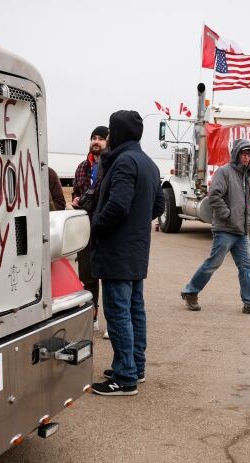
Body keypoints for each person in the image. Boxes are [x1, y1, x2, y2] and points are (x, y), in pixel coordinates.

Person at [90, 110, 164, 396]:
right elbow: (157, 205)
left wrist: (96, 226)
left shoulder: (123, 162)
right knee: (134, 309)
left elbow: (118, 205)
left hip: (117, 250)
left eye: (110, 131)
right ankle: (135, 366)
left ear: (118, 132)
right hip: (136, 248)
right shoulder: (148, 163)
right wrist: (137, 222)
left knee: (118, 312)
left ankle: (124, 377)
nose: (108, 136)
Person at [180, 139, 250, 316]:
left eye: (249, 154)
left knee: (246, 267)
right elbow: (214, 196)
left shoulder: (247, 175)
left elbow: (246, 203)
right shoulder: (224, 172)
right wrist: (227, 215)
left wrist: (247, 222)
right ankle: (190, 292)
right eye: (244, 154)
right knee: (213, 263)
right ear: (236, 154)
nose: (247, 157)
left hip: (241, 231)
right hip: (225, 229)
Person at [72, 126, 109, 332]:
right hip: (85, 229)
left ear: (107, 142)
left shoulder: (112, 166)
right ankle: (91, 316)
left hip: (106, 229)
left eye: (101, 138)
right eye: (93, 138)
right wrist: (76, 199)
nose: (96, 142)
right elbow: (76, 193)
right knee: (87, 277)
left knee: (110, 278)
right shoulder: (82, 167)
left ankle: (112, 323)